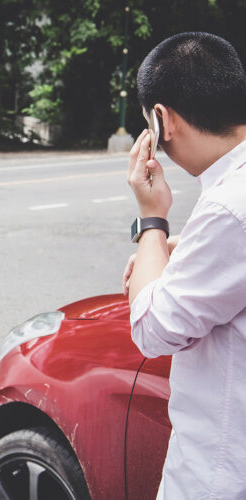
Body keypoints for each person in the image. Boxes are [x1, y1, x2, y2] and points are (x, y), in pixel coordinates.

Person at [125, 32, 246, 499]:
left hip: (221, 472)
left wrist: (151, 218)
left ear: (161, 120)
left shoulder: (229, 208)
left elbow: (152, 329)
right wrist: (185, 249)